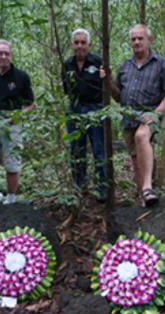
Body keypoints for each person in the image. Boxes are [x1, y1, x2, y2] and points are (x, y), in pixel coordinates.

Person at [102, 24, 165, 207]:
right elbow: (118, 97)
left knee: (142, 136)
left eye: (140, 38)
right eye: (133, 39)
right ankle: (144, 198)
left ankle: (147, 187)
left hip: (150, 115)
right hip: (129, 118)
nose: (136, 42)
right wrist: (109, 80)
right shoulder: (125, 66)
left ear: (149, 40)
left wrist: (156, 113)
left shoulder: (160, 64)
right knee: (136, 160)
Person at [0, 39, 35, 204]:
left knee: (12, 164)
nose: (3, 56)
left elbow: (30, 104)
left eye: (6, 53)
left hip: (12, 125)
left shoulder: (21, 77)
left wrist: (16, 116)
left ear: (11, 55)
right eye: (0, 53)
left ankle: (11, 198)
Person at [62, 28, 107, 202]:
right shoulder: (67, 64)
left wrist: (105, 77)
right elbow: (66, 89)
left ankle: (102, 188)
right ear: (72, 45)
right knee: (76, 150)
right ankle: (80, 187)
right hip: (74, 110)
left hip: (95, 109)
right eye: (76, 42)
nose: (80, 46)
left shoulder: (97, 62)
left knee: (98, 149)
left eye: (83, 42)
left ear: (89, 44)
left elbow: (105, 86)